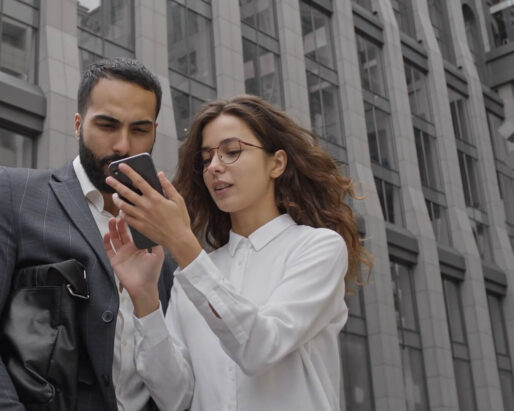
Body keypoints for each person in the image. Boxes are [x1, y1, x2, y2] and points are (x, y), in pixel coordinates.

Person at [0, 58, 177, 411]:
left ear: (154, 131)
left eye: (139, 129)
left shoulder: (164, 239)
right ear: (78, 125)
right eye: (107, 125)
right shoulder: (12, 195)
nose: (123, 145)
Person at [103, 95, 372, 410]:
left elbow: (260, 348)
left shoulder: (317, 247)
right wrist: (146, 298)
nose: (214, 167)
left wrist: (181, 242)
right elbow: (176, 397)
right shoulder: (196, 272)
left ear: (277, 163)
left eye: (232, 152)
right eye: (206, 158)